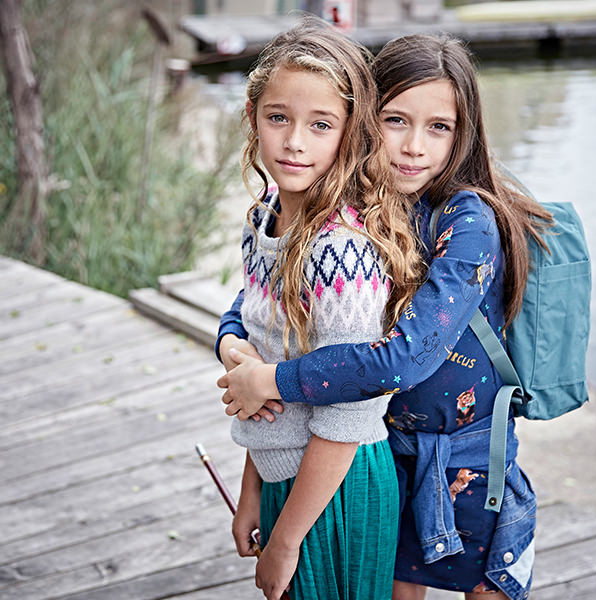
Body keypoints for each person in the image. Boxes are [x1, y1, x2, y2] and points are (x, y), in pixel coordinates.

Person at [217, 33, 554, 600]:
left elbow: (404, 359)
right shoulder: (360, 207)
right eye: (395, 120)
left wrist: (270, 380)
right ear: (364, 121)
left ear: (463, 134)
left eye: (439, 127)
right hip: (382, 452)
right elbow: (258, 307)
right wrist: (232, 346)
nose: (413, 147)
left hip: (468, 460)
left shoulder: (467, 222)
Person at [218, 17, 426, 600]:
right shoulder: (264, 220)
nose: (294, 142)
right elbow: (266, 368)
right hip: (287, 484)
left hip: (337, 486)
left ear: (349, 134)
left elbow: (348, 416)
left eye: (321, 124)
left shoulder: (341, 252)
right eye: (278, 118)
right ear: (253, 117)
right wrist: (253, 491)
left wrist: (286, 542)